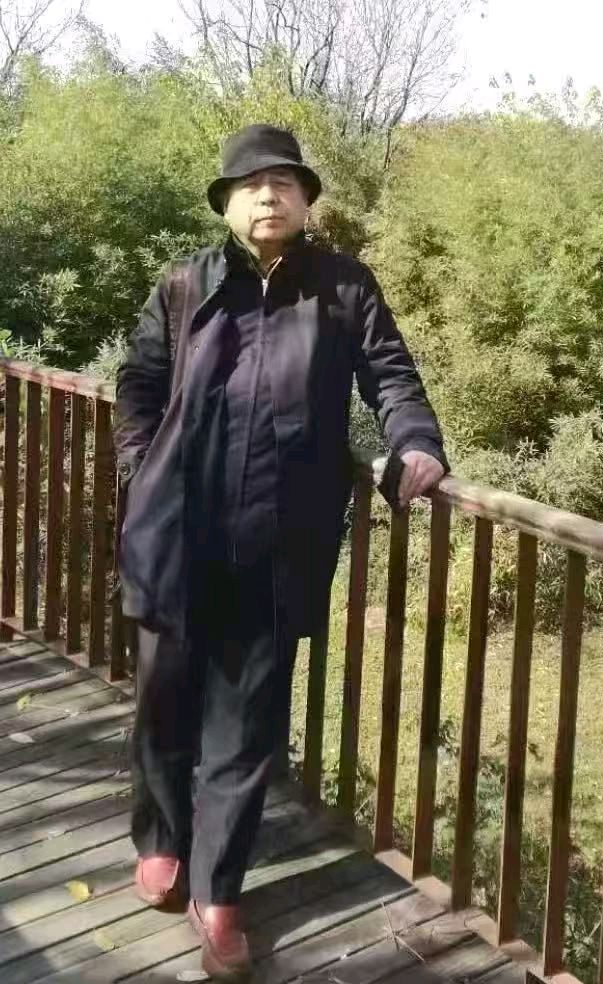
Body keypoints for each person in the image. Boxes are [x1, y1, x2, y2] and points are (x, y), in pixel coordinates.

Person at [114, 123, 448, 978]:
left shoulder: (342, 287)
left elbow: (390, 375)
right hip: (174, 530)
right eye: (251, 184)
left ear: (304, 201)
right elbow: (139, 382)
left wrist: (414, 442)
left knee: (248, 717)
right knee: (163, 696)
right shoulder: (185, 282)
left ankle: (218, 891)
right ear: (226, 204)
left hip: (278, 536)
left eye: (285, 183)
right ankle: (161, 837)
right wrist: (139, 468)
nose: (269, 195)